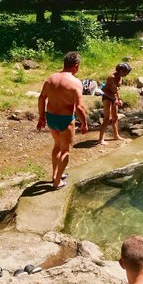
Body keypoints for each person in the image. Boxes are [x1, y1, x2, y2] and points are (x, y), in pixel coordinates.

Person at [37, 52, 89, 189]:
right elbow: (79, 107)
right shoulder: (76, 83)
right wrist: (84, 123)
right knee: (65, 150)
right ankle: (57, 182)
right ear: (76, 66)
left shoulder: (50, 79)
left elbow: (42, 98)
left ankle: (55, 175)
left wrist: (41, 117)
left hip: (51, 117)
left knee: (57, 146)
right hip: (65, 119)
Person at [98, 63, 132, 145]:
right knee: (107, 119)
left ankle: (116, 135)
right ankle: (100, 139)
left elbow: (116, 90)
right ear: (120, 70)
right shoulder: (111, 77)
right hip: (107, 97)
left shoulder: (120, 78)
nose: (126, 75)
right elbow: (104, 90)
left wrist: (118, 99)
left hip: (113, 98)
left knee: (115, 117)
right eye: (125, 72)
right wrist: (114, 98)